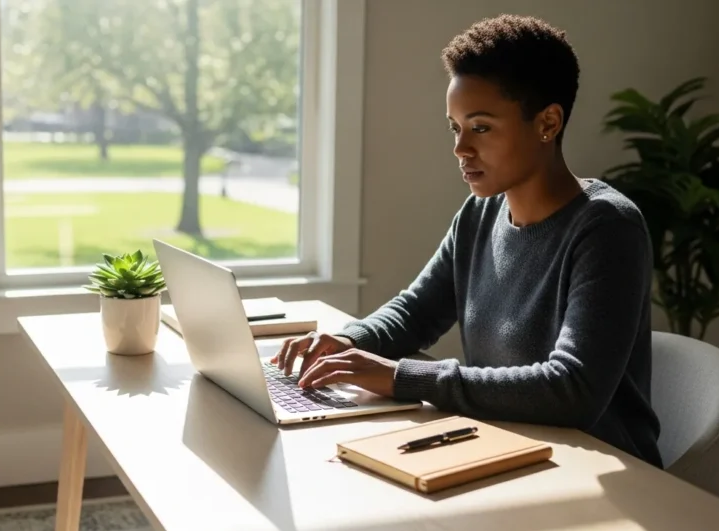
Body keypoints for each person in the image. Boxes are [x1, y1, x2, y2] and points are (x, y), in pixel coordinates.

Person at [271, 14, 663, 467]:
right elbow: (415, 313)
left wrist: (401, 377)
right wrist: (346, 342)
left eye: (480, 127)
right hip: (507, 447)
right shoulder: (481, 213)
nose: (461, 149)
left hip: (600, 469)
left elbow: (571, 390)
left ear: (548, 123)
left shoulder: (608, 227)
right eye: (454, 128)